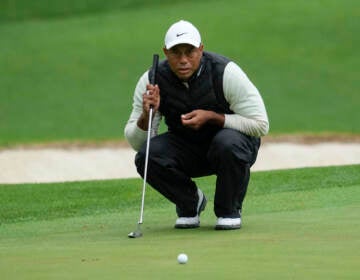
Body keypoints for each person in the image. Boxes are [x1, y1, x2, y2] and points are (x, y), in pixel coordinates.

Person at [125, 20, 269, 230]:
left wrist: (213, 117)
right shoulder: (152, 79)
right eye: (176, 52)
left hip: (230, 148)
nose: (183, 60)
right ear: (166, 52)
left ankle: (229, 209)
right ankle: (190, 202)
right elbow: (138, 143)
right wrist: (147, 115)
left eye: (190, 51)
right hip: (188, 149)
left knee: (226, 142)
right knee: (147, 156)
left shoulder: (225, 72)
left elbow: (260, 125)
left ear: (201, 49)